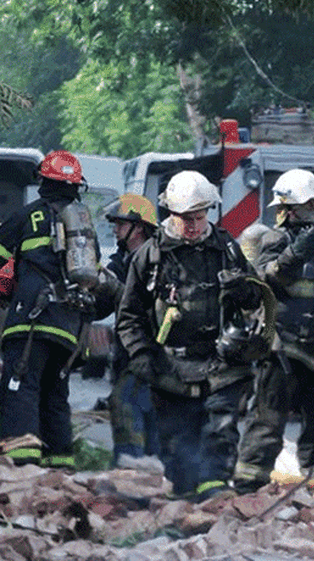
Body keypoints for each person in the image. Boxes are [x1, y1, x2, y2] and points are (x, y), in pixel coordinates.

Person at [116, 170, 271, 501]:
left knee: (221, 432)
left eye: (200, 217)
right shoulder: (150, 256)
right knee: (178, 449)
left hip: (222, 364)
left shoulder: (227, 249)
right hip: (171, 367)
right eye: (187, 219)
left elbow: (255, 300)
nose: (195, 226)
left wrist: (244, 289)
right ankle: (186, 504)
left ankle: (216, 493)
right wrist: (141, 354)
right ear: (171, 213)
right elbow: (129, 316)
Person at [235, 169, 314, 492]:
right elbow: (261, 283)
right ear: (290, 209)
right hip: (281, 344)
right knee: (268, 417)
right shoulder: (274, 240)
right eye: (311, 203)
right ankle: (250, 479)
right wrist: (292, 257)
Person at [0, 150, 106, 468]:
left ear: (44, 181)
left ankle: (23, 467)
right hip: (68, 327)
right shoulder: (84, 229)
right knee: (55, 394)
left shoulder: (28, 216)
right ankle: (60, 466)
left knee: (21, 386)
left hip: (30, 319)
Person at [102, 194, 161, 465]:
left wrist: (116, 289)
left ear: (138, 227)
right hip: (128, 354)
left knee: (126, 404)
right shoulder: (121, 261)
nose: (115, 229)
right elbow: (102, 307)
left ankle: (130, 472)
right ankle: (149, 474)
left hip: (150, 352)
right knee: (146, 414)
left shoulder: (157, 260)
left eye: (120, 224)